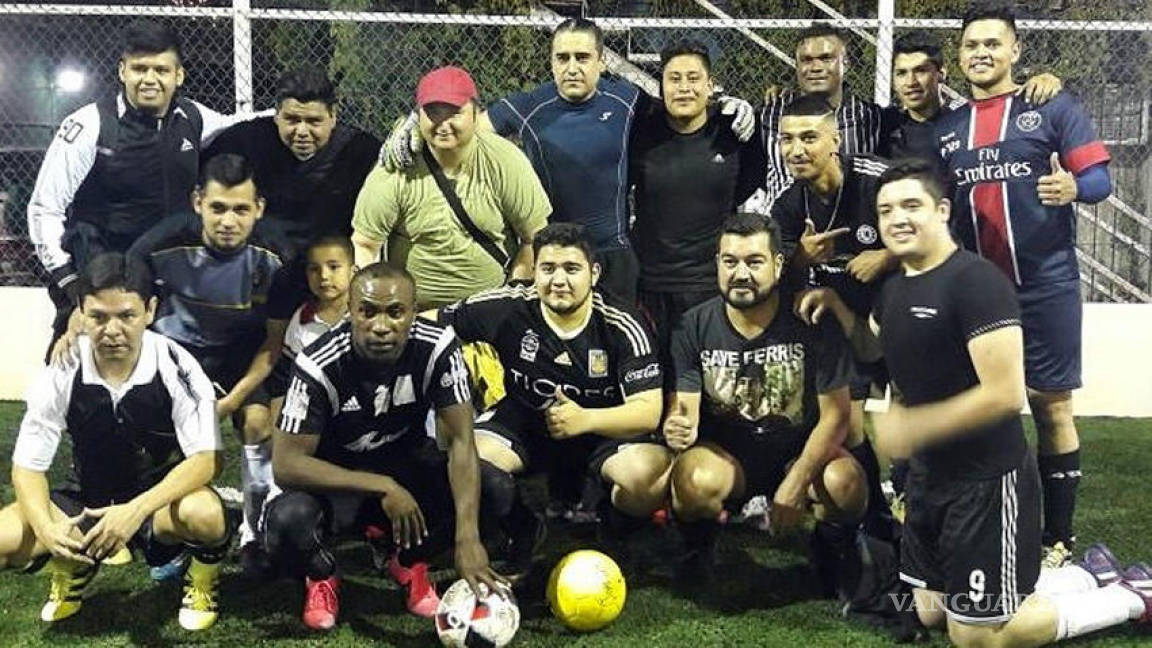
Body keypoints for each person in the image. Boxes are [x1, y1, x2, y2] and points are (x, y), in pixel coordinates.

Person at [854, 158, 1149, 648]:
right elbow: (885, 356)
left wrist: (916, 429)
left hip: (986, 482)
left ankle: (1129, 596)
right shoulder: (894, 291)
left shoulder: (976, 283)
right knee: (929, 612)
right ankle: (1083, 577)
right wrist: (835, 311)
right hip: (931, 477)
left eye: (911, 205)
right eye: (886, 210)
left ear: (943, 209)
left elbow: (1006, 394)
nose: (897, 219)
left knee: (975, 637)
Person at [382, 18, 756, 304]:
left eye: (582, 57)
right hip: (552, 255)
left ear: (600, 61)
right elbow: (458, 129)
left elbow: (683, 111)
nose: (573, 67)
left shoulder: (627, 100)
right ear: (552, 62)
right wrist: (412, 125)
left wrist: (728, 106)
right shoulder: (528, 106)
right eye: (563, 58)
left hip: (616, 257)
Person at [935, 5, 1113, 567]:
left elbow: (1099, 178)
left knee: (1052, 406)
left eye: (992, 44)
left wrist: (1074, 188)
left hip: (1046, 286)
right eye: (970, 46)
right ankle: (990, 527)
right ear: (959, 56)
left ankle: (1057, 538)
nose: (981, 54)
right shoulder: (947, 129)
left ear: (1015, 50)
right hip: (978, 295)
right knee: (984, 412)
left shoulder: (1051, 105)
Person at [266, 262, 504, 629]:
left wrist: (467, 537)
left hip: (403, 465)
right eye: (368, 311)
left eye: (395, 312)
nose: (380, 326)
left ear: (413, 312)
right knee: (286, 522)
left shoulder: (438, 347)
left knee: (494, 489)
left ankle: (409, 560)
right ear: (350, 311)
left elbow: (460, 442)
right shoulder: (318, 364)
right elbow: (286, 465)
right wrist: (382, 487)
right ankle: (323, 574)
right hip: (337, 482)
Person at [0, 253, 228, 630]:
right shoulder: (62, 367)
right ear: (81, 313)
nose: (112, 330)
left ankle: (202, 580)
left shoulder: (177, 364)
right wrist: (46, 529)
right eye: (98, 317)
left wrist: (135, 511)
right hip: (87, 501)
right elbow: (27, 467)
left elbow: (206, 460)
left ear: (150, 311)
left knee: (205, 514)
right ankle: (71, 563)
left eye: (126, 315)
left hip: (157, 504)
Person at [433, 223, 671, 573]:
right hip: (525, 422)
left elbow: (649, 411)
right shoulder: (508, 305)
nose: (558, 280)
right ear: (534, 271)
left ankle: (616, 524)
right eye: (548, 269)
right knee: (465, 461)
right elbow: (430, 324)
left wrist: (586, 419)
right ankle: (519, 525)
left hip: (602, 430)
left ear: (594, 272)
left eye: (571, 269)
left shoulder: (623, 324)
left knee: (648, 476)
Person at [28, 20, 261, 357]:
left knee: (159, 388)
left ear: (178, 75)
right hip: (98, 280)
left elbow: (243, 126)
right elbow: (44, 208)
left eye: (161, 70)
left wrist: (286, 113)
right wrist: (72, 284)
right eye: (139, 68)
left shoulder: (194, 118)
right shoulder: (90, 125)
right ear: (122, 71)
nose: (150, 79)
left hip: (166, 286)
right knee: (76, 383)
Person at [665, 213, 866, 584]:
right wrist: (679, 427)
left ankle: (832, 552)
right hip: (728, 458)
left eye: (754, 262)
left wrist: (798, 481)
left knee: (846, 482)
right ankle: (697, 548)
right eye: (730, 262)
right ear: (717, 265)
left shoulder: (811, 318)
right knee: (692, 479)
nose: (741, 273)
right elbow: (685, 409)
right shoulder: (692, 324)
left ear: (777, 265)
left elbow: (836, 417)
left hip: (797, 453)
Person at [128, 153, 289, 571]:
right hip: (176, 356)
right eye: (218, 207)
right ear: (198, 201)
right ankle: (164, 527)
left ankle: (255, 532)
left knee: (258, 423)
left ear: (259, 209)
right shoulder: (158, 245)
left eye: (240, 209)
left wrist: (231, 402)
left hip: (242, 357)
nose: (228, 220)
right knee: (156, 432)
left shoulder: (278, 255)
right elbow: (130, 309)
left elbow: (274, 343)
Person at [769, 94, 893, 539]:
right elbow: (777, 280)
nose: (796, 150)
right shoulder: (787, 207)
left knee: (922, 427)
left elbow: (934, 233)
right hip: (841, 329)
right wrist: (799, 260)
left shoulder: (878, 182)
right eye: (786, 140)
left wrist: (886, 255)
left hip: (899, 317)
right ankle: (868, 524)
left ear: (835, 140)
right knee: (852, 426)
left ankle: (917, 518)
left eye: (808, 137)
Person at [352, 66, 550, 310]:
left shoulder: (504, 160)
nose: (443, 124)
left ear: (476, 113)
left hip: (488, 312)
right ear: (419, 115)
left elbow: (536, 238)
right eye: (433, 112)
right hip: (416, 316)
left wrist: (511, 300)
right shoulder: (396, 167)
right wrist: (377, 303)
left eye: (455, 113)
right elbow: (365, 243)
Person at [630, 38, 766, 353]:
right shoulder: (641, 131)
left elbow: (749, 186)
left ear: (710, 85)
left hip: (712, 284)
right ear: (661, 85)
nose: (683, 88)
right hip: (651, 284)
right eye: (674, 79)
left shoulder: (734, 132)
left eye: (693, 79)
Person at [752, 24, 884, 212]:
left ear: (846, 62)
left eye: (826, 58)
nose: (815, 68)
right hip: (783, 232)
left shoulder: (873, 119)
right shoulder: (769, 114)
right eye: (806, 60)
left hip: (848, 229)